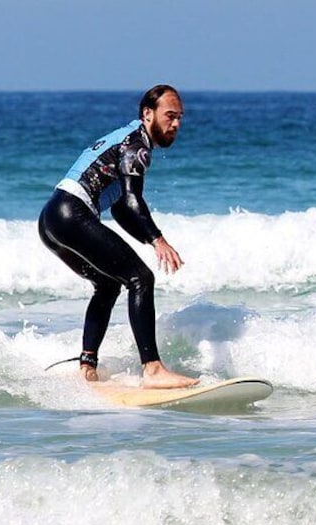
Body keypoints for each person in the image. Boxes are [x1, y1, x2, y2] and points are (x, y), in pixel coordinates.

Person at [38, 85, 198, 389]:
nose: (175, 124)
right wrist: (158, 239)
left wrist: (150, 239)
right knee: (141, 278)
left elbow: (123, 209)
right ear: (147, 113)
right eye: (170, 116)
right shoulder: (137, 144)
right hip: (72, 212)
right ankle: (152, 370)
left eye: (179, 118)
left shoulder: (126, 139)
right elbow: (132, 198)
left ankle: (87, 366)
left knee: (109, 283)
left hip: (52, 219)